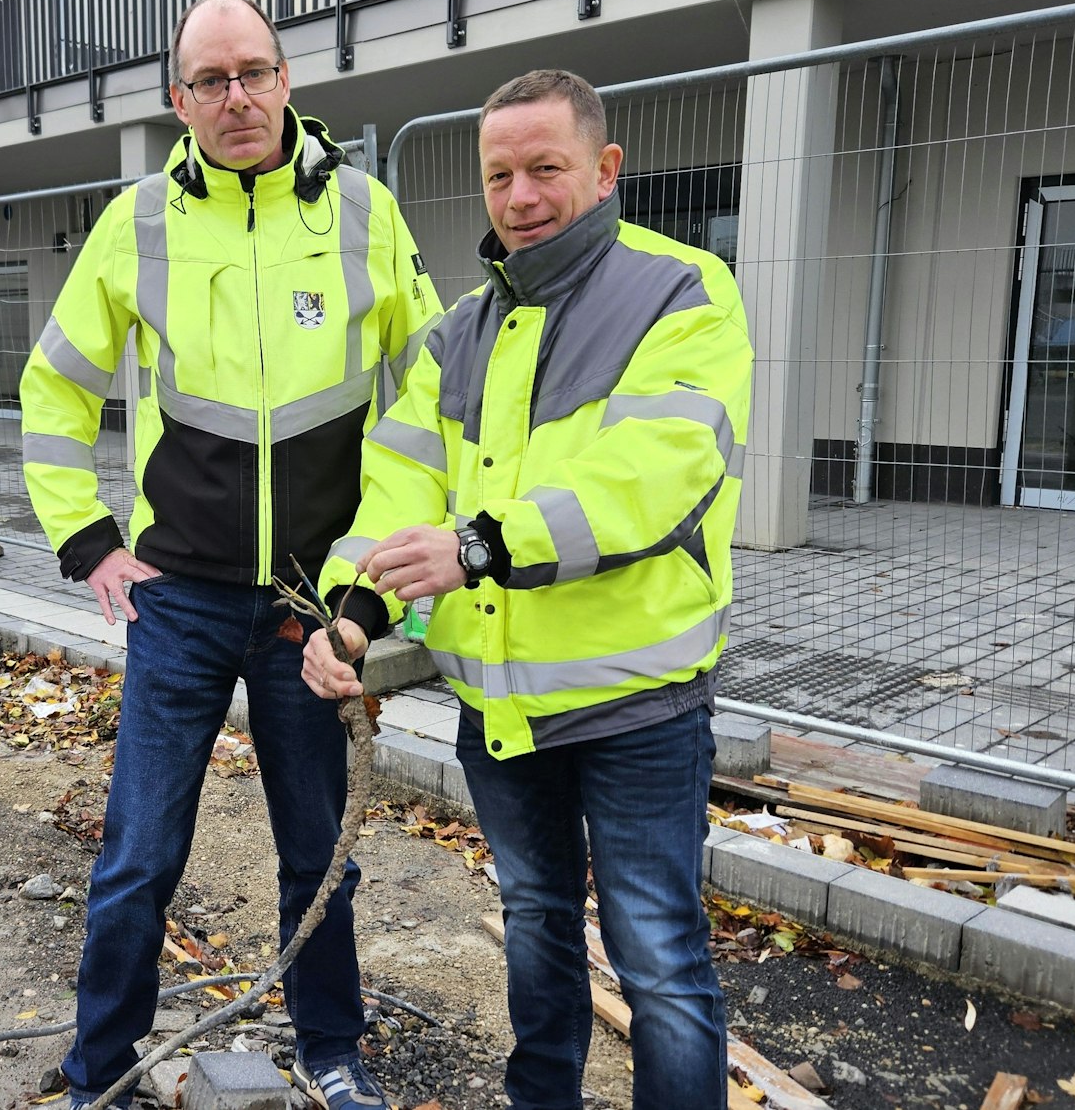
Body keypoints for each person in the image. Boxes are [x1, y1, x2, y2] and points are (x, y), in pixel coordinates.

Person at [18, 0, 443, 1108]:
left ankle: (331, 1050)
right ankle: (96, 1070)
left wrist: (373, 584)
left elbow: (434, 394)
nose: (235, 97)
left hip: (313, 606)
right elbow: (56, 383)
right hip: (181, 603)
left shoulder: (363, 213)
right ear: (178, 101)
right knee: (138, 859)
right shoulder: (139, 220)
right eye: (208, 81)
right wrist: (87, 541)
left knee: (318, 852)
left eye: (251, 71)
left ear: (287, 78)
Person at [302, 68, 751, 1110]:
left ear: (601, 171)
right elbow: (396, 485)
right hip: (500, 709)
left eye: (544, 168)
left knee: (660, 966)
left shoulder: (680, 290)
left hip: (636, 706)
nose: (520, 195)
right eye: (499, 174)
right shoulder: (458, 332)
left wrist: (480, 545)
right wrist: (354, 611)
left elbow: (653, 475)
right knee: (535, 930)